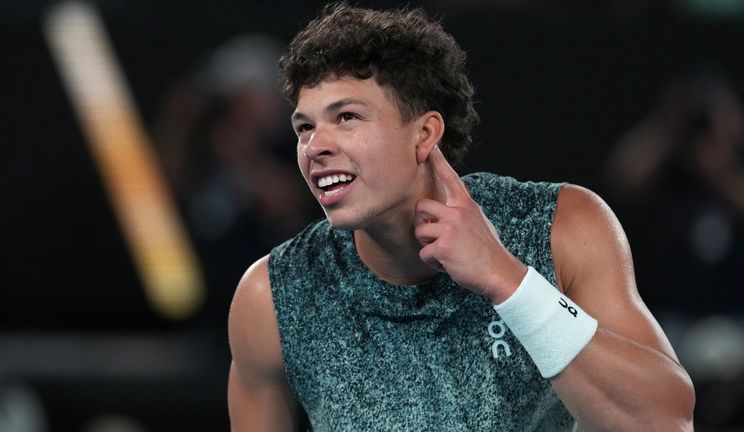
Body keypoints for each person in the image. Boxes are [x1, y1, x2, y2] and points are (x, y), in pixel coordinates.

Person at [227, 3, 695, 431]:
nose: (316, 147)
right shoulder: (272, 296)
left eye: (346, 117)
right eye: (304, 127)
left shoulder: (560, 226)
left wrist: (508, 281)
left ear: (425, 133)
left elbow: (666, 420)